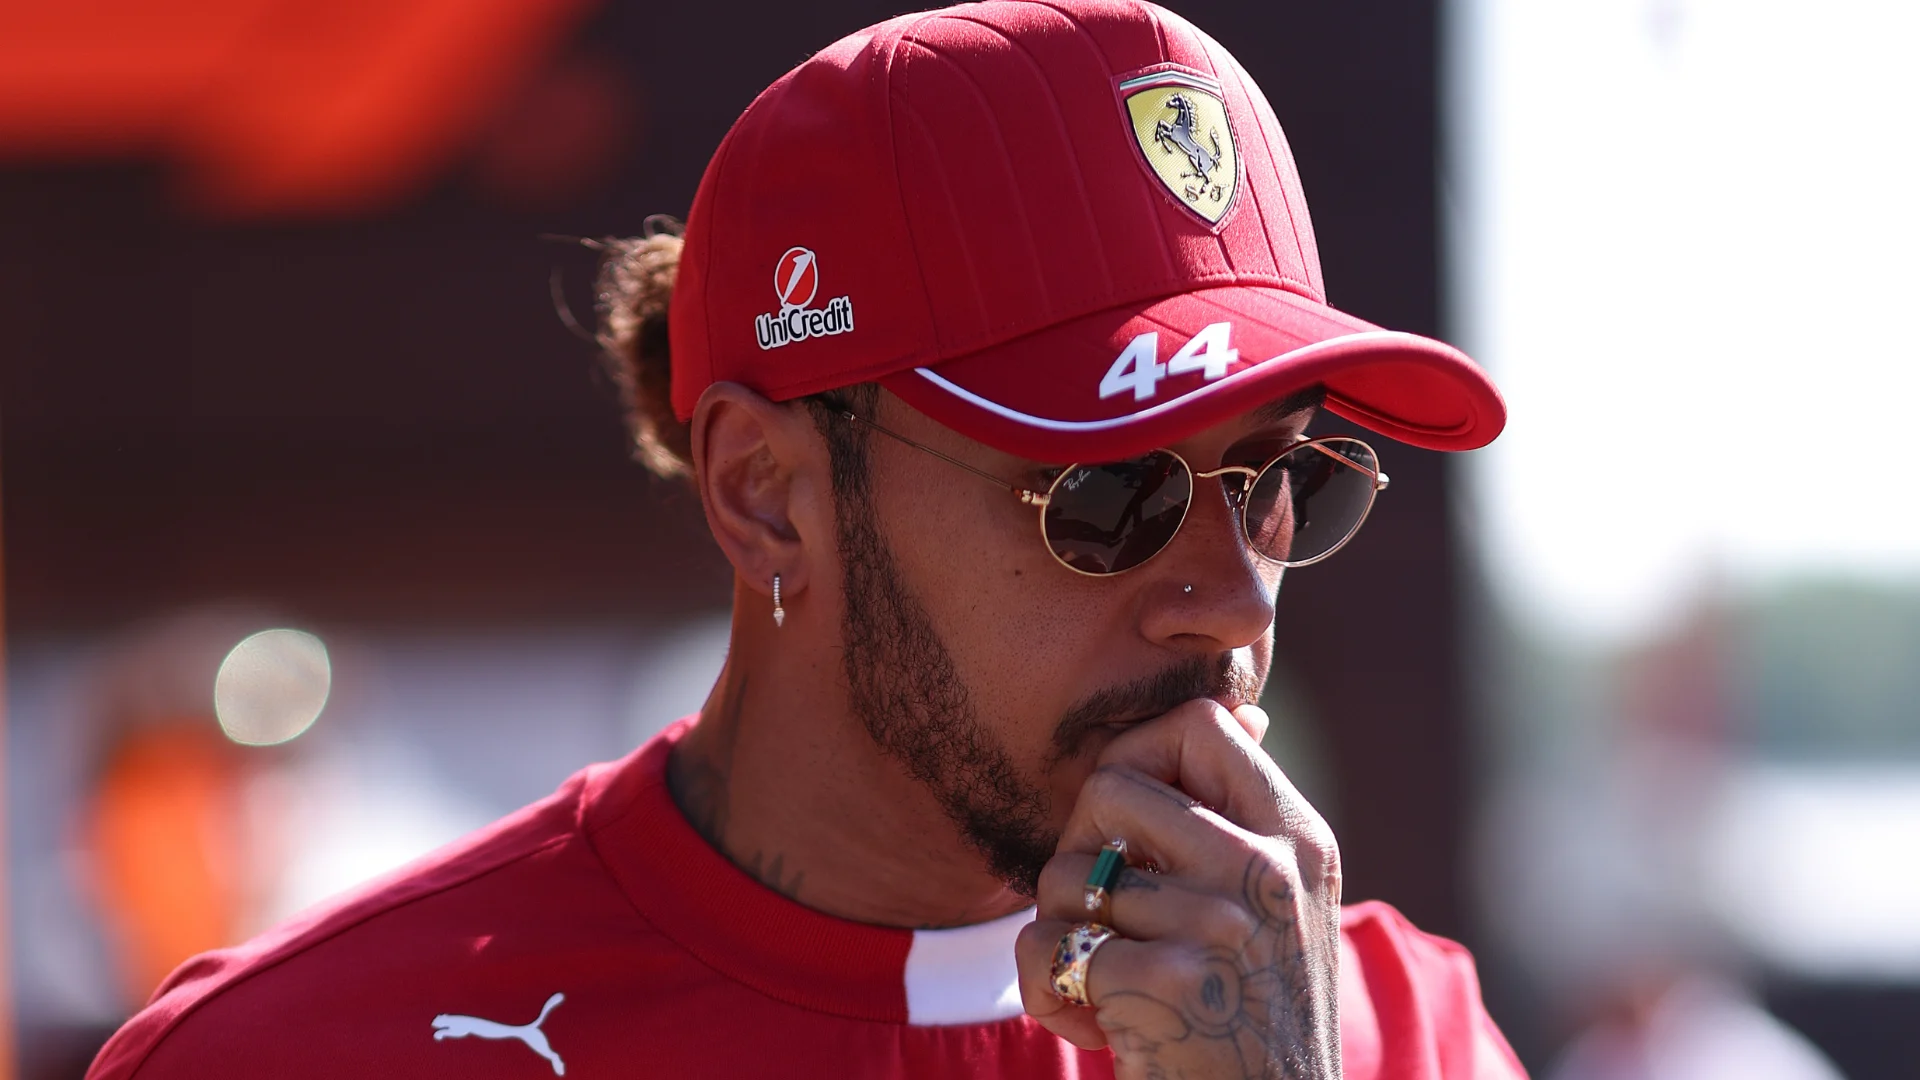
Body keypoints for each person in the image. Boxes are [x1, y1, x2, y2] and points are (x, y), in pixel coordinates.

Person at [89, 2, 1521, 1077]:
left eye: (1278, 486)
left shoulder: (1402, 1032)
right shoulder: (307, 1052)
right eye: (1108, 496)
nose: (1224, 602)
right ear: (767, 495)